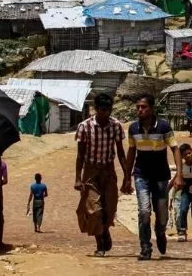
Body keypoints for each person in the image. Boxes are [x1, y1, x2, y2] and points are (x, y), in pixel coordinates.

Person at [124, 93, 183, 261]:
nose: (140, 110)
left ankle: (160, 233)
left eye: (144, 107)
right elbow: (131, 152)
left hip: (161, 177)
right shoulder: (133, 128)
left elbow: (175, 149)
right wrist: (127, 177)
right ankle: (145, 246)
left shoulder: (163, 127)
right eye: (138, 107)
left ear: (151, 108)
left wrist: (179, 175)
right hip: (141, 175)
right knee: (144, 211)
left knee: (162, 213)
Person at [74, 92, 127, 257]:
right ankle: (99, 243)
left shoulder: (116, 126)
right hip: (91, 170)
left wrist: (127, 176)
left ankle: (105, 230)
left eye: (108, 109)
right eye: (102, 109)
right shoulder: (85, 126)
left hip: (108, 169)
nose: (105, 113)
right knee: (94, 208)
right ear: (96, 109)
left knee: (110, 207)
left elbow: (121, 152)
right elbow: (80, 155)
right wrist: (77, 178)